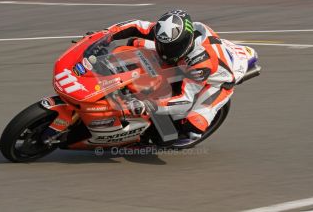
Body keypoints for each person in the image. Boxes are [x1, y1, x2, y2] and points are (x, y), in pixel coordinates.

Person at [106, 9, 255, 140]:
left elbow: (184, 100)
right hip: (187, 60)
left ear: (185, 42)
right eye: (162, 45)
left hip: (218, 82)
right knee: (135, 43)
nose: (165, 51)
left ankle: (174, 133)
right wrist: (106, 34)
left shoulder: (200, 64)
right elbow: (136, 26)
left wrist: (146, 105)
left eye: (172, 47)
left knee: (194, 126)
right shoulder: (170, 33)